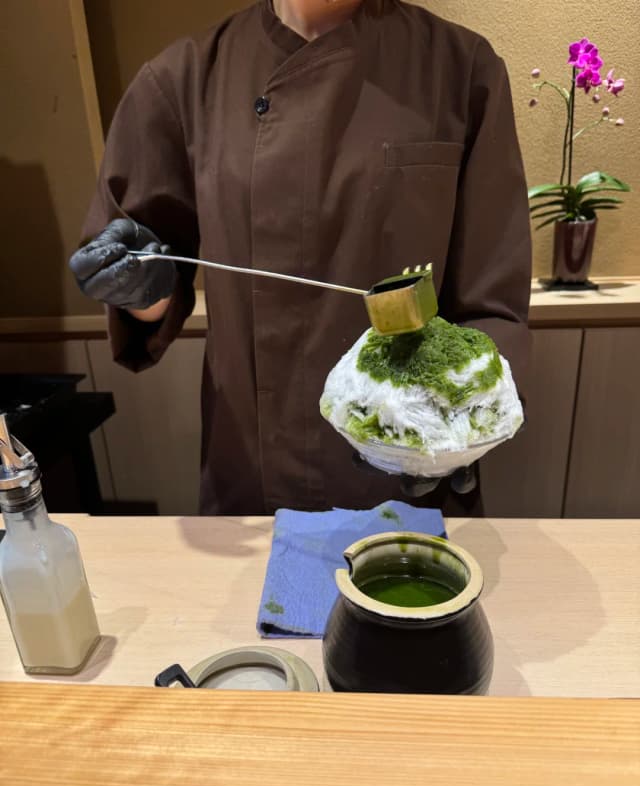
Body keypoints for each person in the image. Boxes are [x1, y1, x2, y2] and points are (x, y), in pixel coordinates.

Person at [70, 0, 532, 516]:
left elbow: (491, 297)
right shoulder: (183, 78)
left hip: (415, 454)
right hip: (256, 465)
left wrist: (473, 421)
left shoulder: (462, 67)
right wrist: (142, 291)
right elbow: (152, 269)